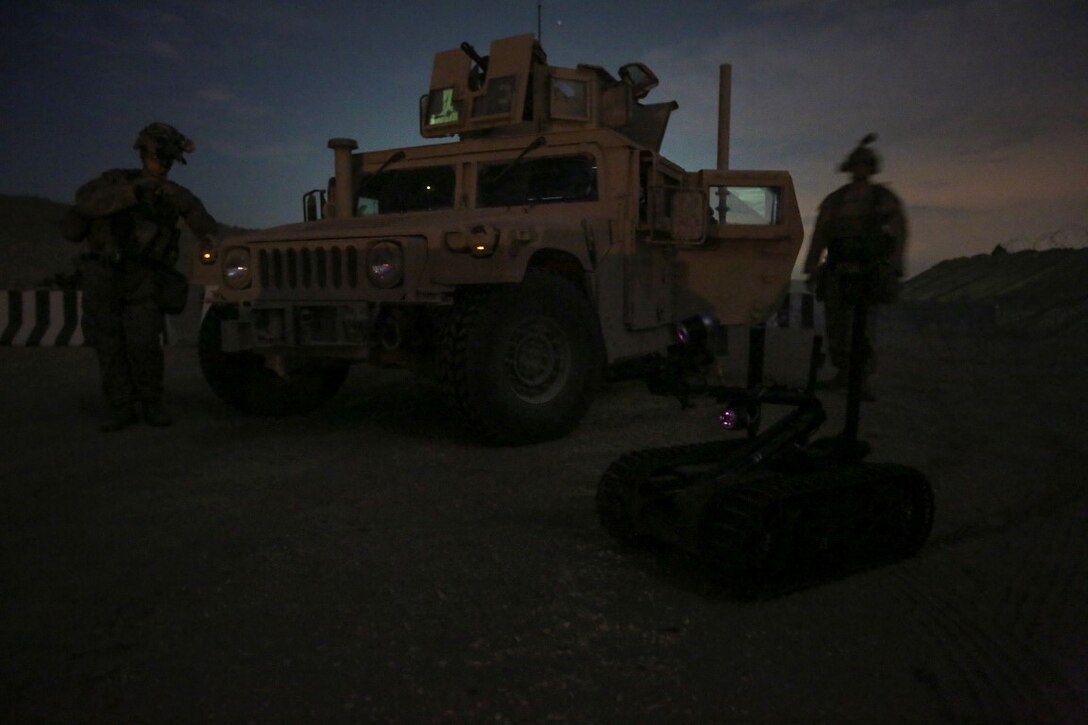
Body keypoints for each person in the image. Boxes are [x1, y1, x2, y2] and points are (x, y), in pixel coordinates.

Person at [62, 122, 219, 431]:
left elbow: (203, 223)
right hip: (103, 275)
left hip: (143, 277)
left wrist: (208, 238)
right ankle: (121, 406)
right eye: (157, 157)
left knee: (144, 343)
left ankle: (151, 402)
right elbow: (85, 203)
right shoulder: (115, 182)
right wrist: (133, 193)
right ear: (144, 153)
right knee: (109, 345)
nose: (161, 165)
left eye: (167, 160)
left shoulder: (172, 194)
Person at [803, 133, 908, 400]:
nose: (860, 169)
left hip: (869, 272)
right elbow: (821, 235)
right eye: (857, 164)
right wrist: (812, 266)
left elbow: (898, 231)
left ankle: (860, 380)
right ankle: (843, 373)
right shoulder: (835, 200)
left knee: (862, 328)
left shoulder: (882, 198)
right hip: (839, 270)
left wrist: (894, 265)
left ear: (870, 167)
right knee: (836, 327)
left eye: (864, 164)